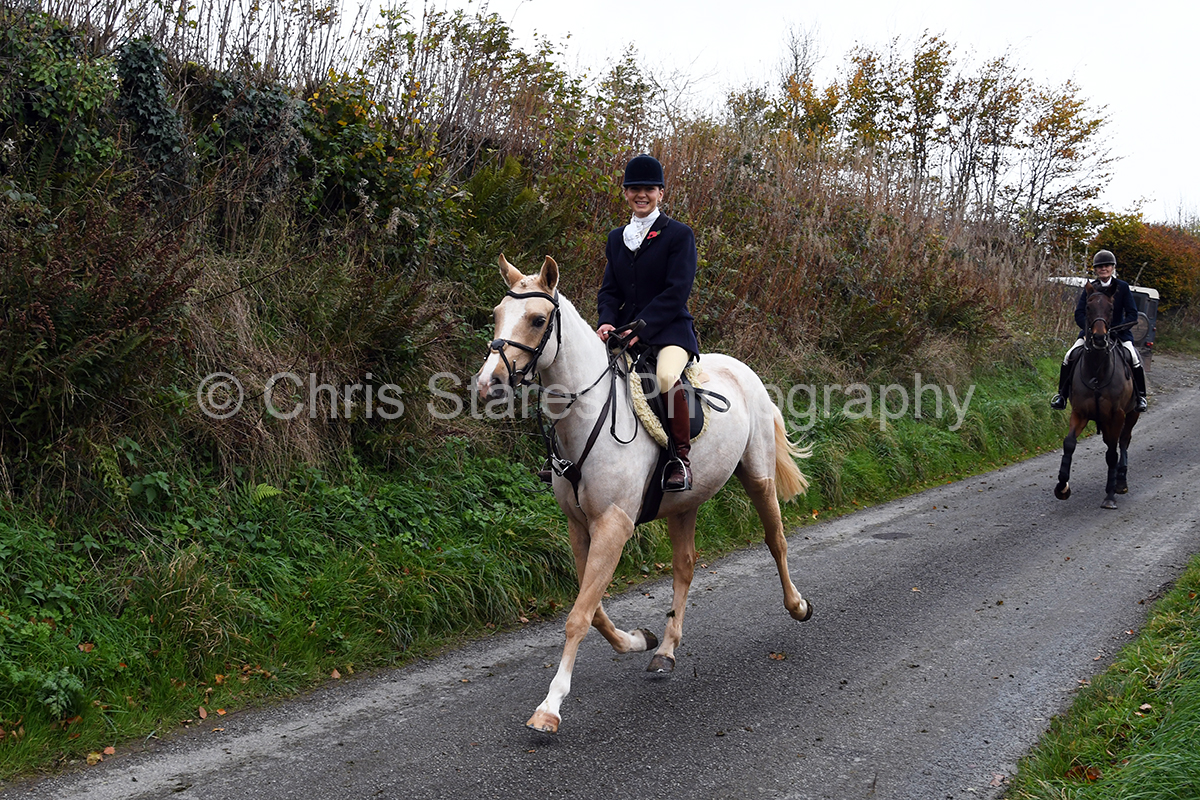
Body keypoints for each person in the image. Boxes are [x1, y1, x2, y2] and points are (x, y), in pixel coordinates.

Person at [596, 154, 700, 492]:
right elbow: (610, 290)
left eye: (649, 189)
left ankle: (680, 459)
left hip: (670, 330)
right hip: (624, 331)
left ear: (660, 193)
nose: (641, 195)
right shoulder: (617, 238)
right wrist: (607, 322)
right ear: (625, 192)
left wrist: (640, 327)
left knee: (666, 376)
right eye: (634, 189)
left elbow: (676, 291)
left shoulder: (678, 235)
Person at [1050, 249, 1148, 412]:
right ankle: (1062, 396)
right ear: (1095, 269)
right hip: (1092, 334)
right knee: (1069, 355)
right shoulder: (1090, 288)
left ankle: (1141, 397)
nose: (1104, 268)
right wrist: (1090, 330)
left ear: (1113, 267)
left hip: (1119, 333)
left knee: (1134, 358)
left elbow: (1132, 314)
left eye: (1107, 265)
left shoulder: (1122, 287)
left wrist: (1117, 328)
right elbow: (1079, 313)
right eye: (1100, 266)